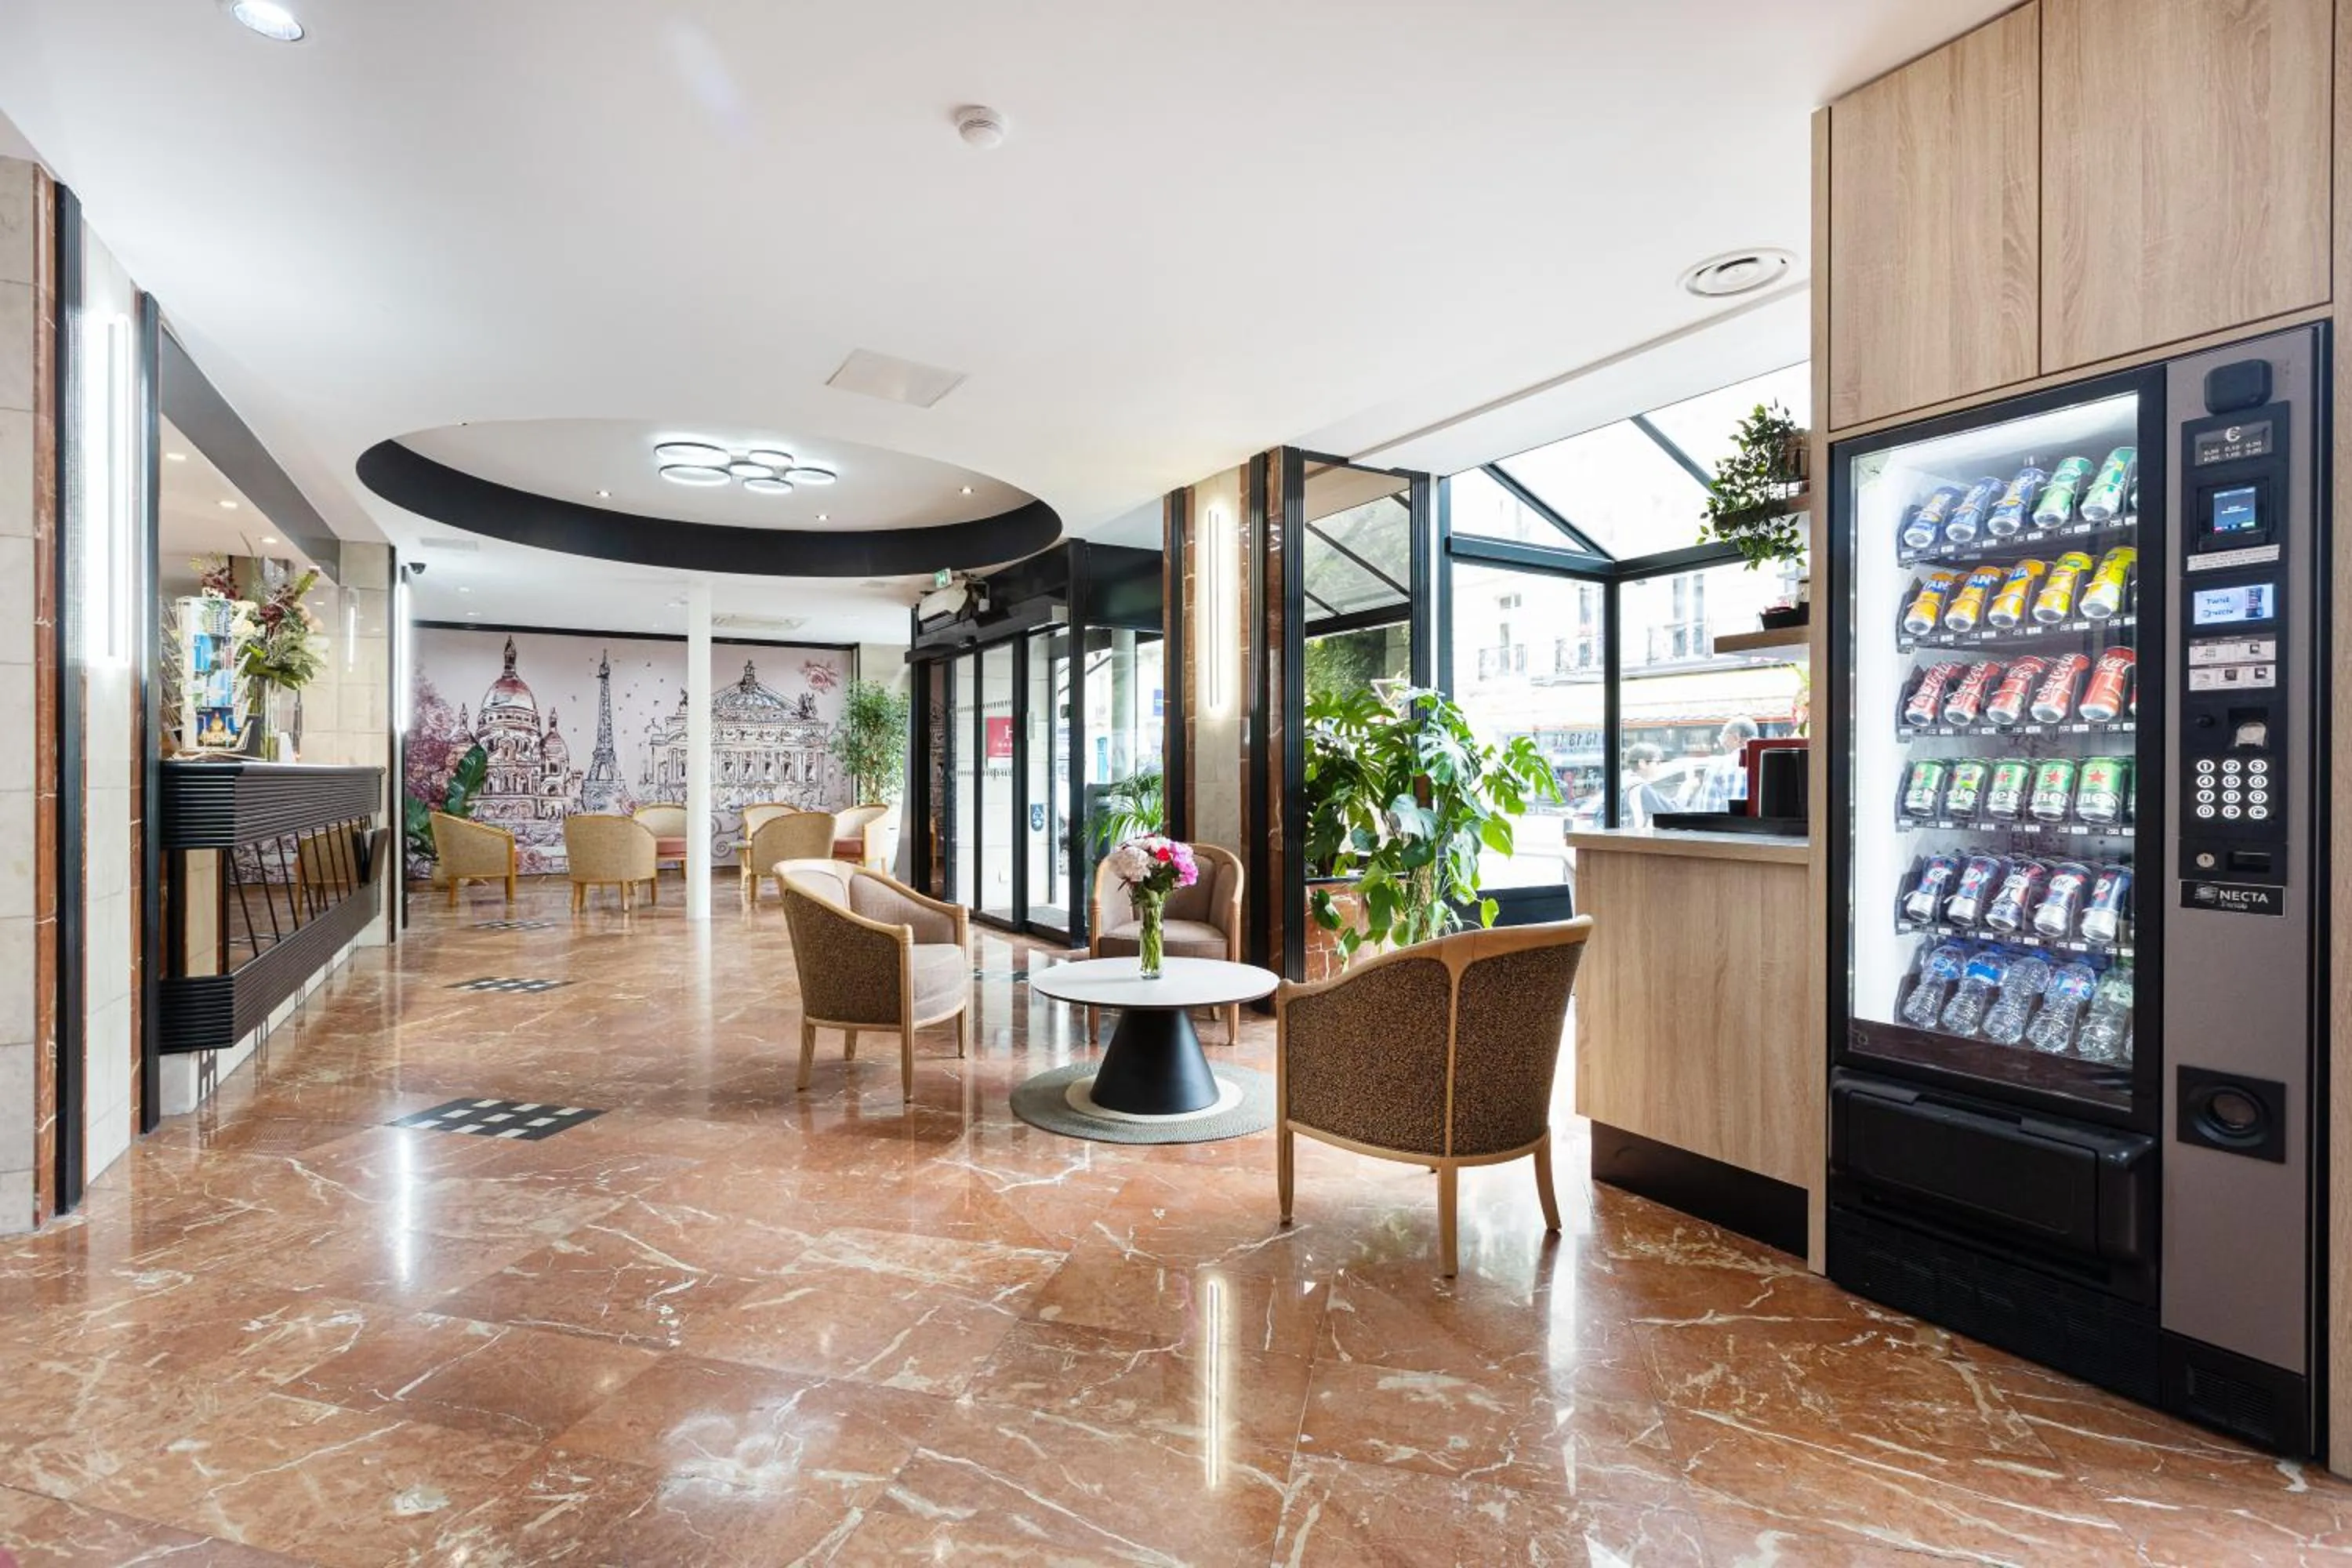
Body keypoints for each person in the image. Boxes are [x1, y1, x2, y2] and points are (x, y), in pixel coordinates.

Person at [1688, 716, 1759, 812]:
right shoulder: (1771, 764)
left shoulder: (1719, 767)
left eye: (1723, 738)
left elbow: (1708, 814)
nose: (1722, 744)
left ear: (1736, 738)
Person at [1619, 742, 1673, 827]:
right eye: (1657, 763)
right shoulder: (1640, 787)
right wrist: (1686, 789)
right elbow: (1670, 810)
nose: (1660, 767)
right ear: (1642, 763)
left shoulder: (1625, 782)